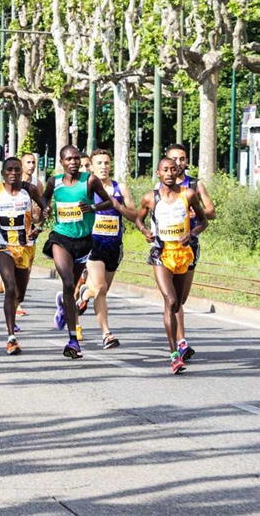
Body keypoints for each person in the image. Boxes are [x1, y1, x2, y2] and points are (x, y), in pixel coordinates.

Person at [42, 145, 116, 359]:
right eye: (68, 159)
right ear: (61, 162)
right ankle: (73, 340)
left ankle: (66, 306)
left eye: (76, 158)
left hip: (83, 240)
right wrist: (46, 209)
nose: (73, 162)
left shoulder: (89, 180)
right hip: (61, 237)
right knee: (66, 282)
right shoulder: (53, 182)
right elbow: (45, 198)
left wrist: (91, 208)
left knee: (73, 286)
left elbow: (108, 201)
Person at [137, 157, 209, 374]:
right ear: (158, 173)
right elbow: (138, 219)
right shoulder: (150, 198)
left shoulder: (188, 195)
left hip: (182, 253)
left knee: (178, 303)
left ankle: (177, 343)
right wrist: (145, 232)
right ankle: (174, 355)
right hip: (161, 253)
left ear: (179, 171)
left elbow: (204, 221)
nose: (169, 173)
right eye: (164, 170)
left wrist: (192, 233)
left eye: (173, 169)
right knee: (169, 300)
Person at [0, 157, 49, 355]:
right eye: (10, 169)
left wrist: (39, 227)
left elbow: (45, 209)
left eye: (17, 169)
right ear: (3, 172)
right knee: (9, 286)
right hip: (3, 245)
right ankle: (11, 337)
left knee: (20, 294)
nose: (14, 173)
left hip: (25, 246)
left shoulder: (30, 190)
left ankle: (13, 317)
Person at [76, 149, 139, 350]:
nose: (103, 167)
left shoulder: (121, 188)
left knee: (101, 291)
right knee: (101, 288)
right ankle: (107, 335)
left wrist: (118, 207)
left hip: (114, 246)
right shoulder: (86, 189)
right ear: (91, 167)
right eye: (99, 163)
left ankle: (84, 295)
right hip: (93, 245)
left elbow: (135, 216)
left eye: (106, 163)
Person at [163, 143, 217, 362]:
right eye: (174, 159)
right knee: (172, 298)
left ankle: (177, 335)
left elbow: (211, 213)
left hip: (189, 246)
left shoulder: (194, 185)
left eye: (182, 159)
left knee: (181, 298)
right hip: (167, 248)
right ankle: (181, 342)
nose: (178, 163)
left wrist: (196, 212)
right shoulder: (162, 186)